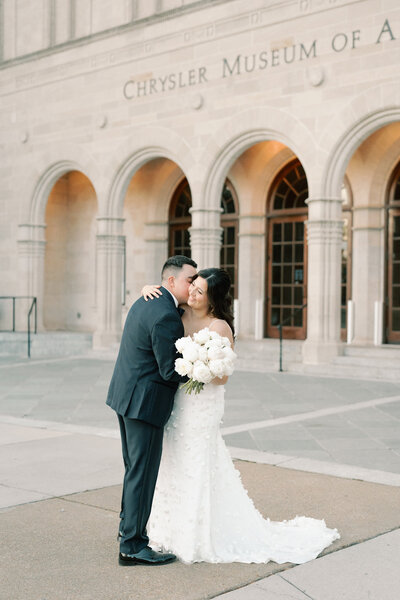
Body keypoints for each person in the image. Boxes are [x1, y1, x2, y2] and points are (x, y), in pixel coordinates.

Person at [141, 268, 340, 564]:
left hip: (203, 405)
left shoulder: (220, 327)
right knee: (174, 460)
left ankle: (195, 535)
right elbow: (161, 296)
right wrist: (147, 287)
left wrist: (198, 368)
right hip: (178, 403)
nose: (192, 294)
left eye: (199, 292)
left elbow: (223, 378)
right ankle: (167, 527)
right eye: (192, 287)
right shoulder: (179, 312)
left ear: (213, 299)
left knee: (198, 461)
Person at [106, 255, 197, 566]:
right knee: (142, 475)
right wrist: (199, 369)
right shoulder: (165, 315)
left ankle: (127, 530)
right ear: (170, 281)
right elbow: (169, 371)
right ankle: (132, 546)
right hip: (144, 404)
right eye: (190, 279)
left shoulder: (148, 301)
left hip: (126, 397)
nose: (194, 284)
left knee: (135, 471)